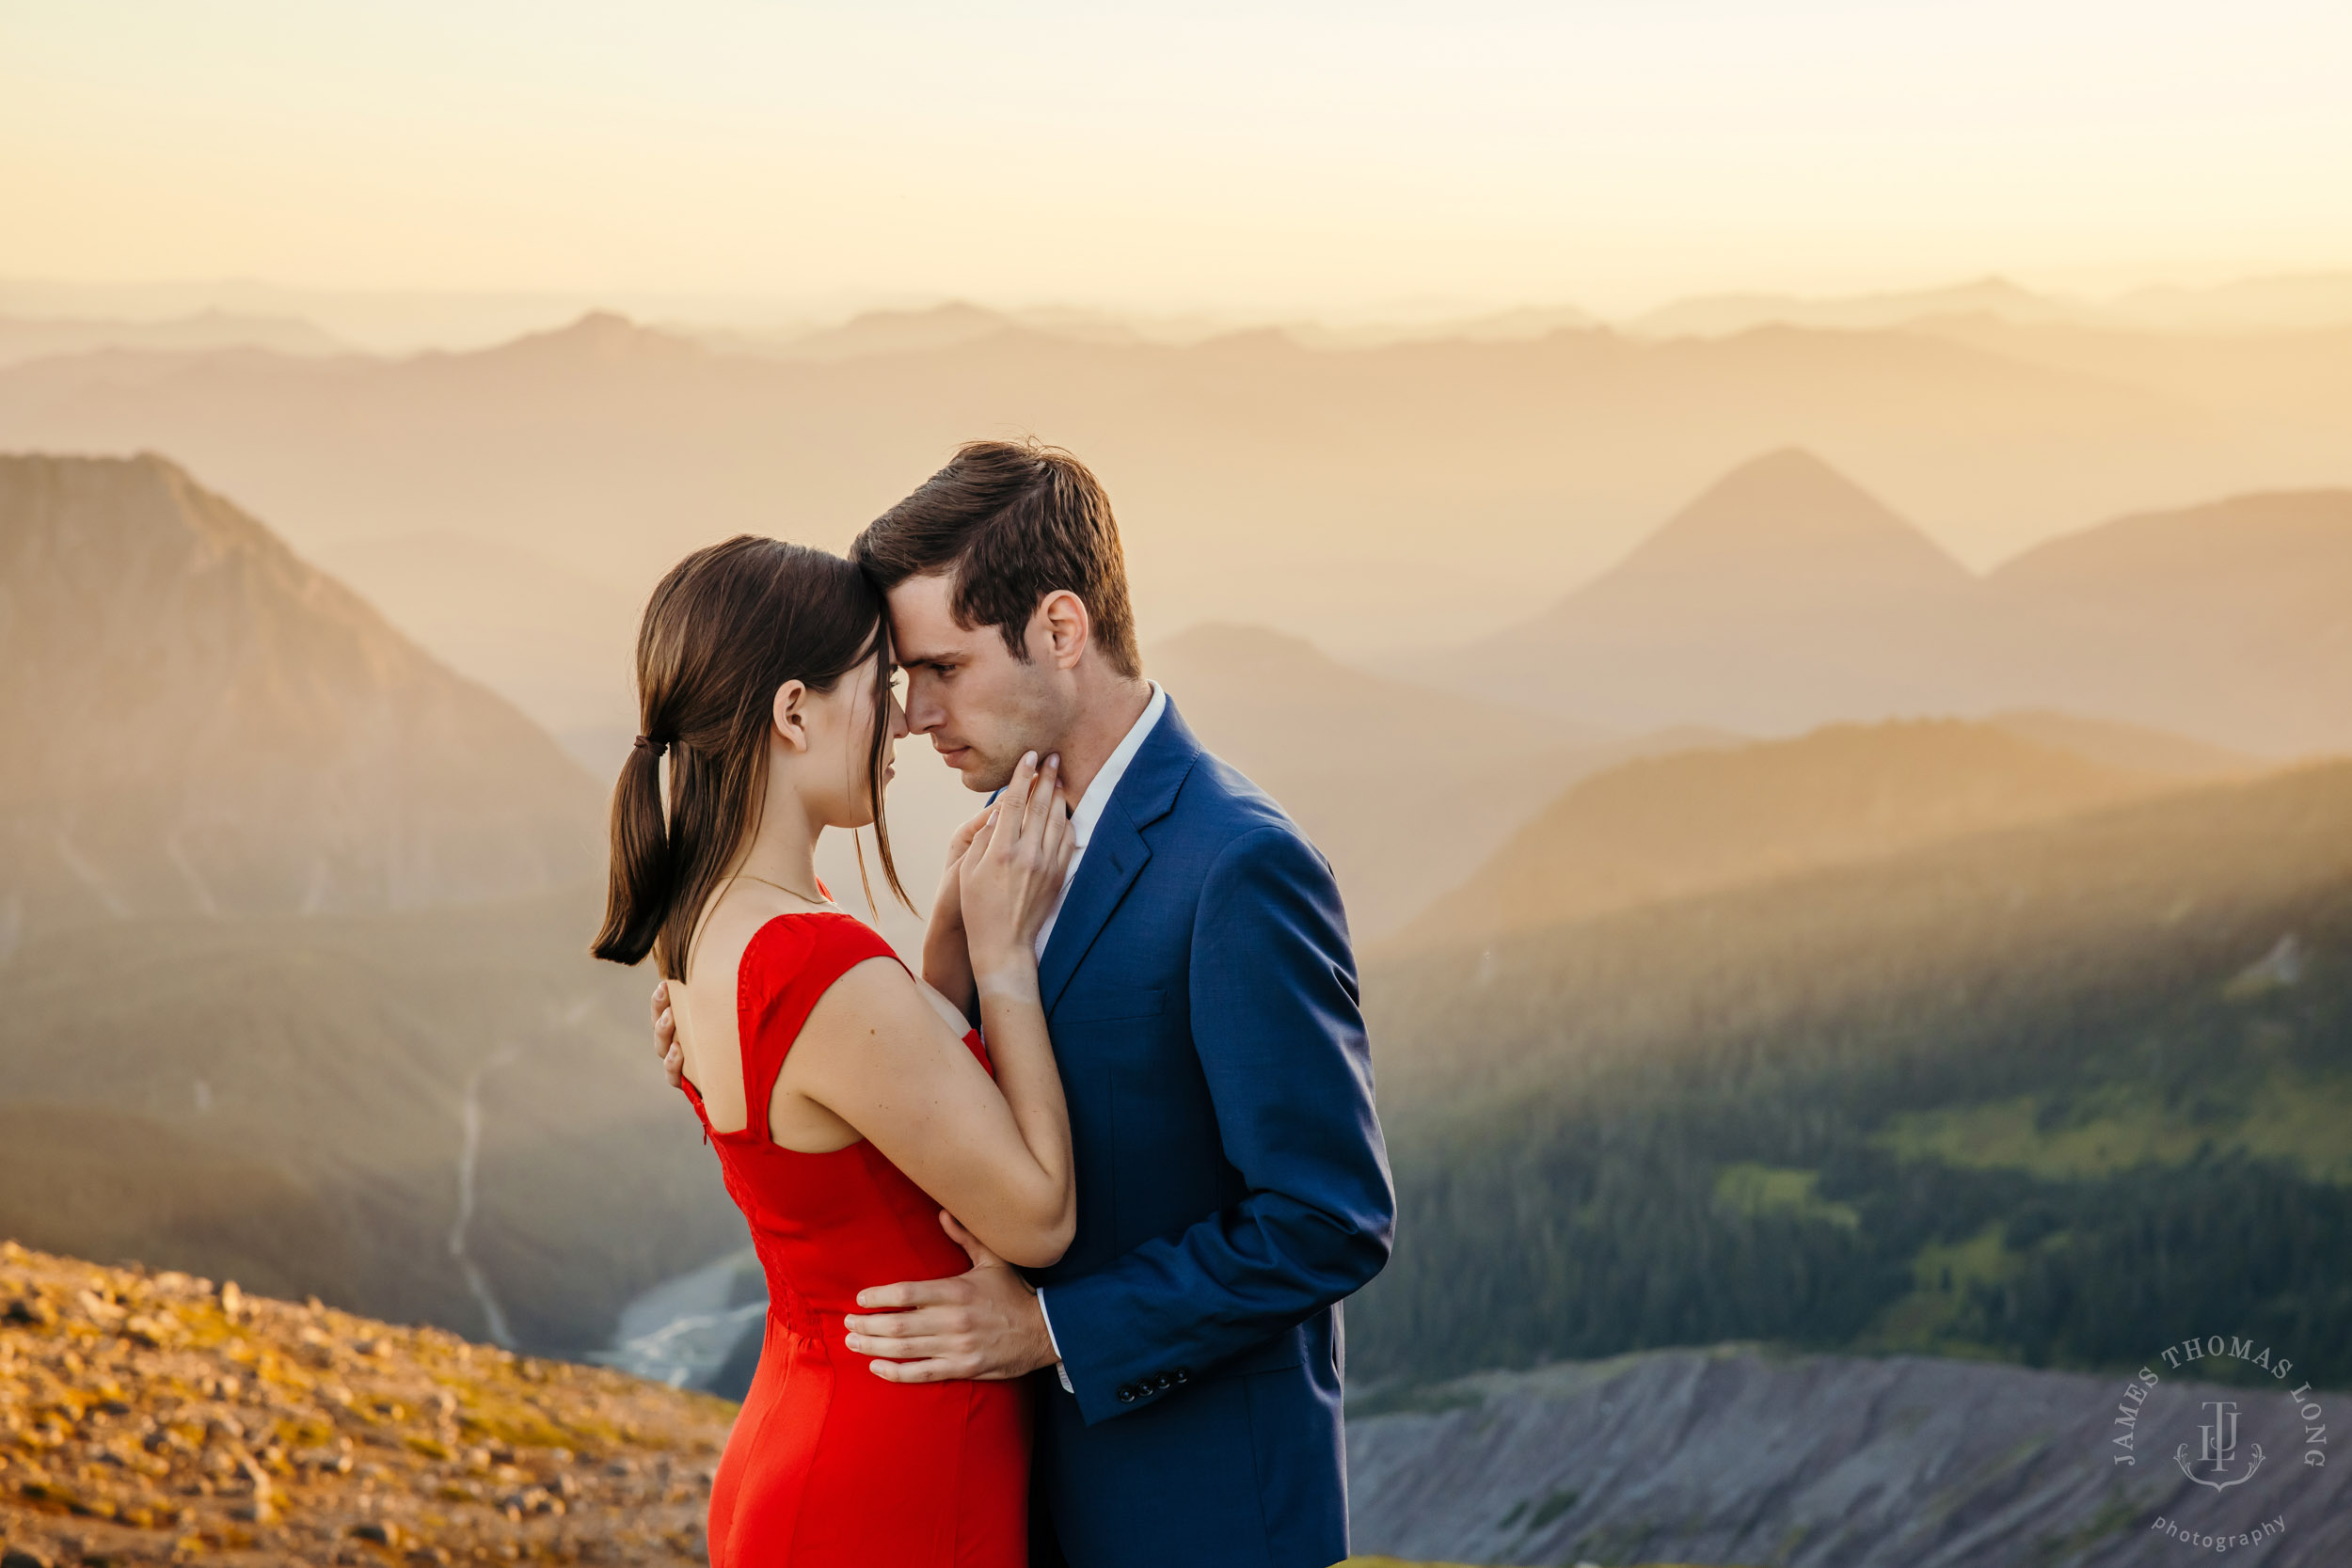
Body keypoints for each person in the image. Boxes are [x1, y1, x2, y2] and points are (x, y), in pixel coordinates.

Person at [652, 441, 1396, 1568]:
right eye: (900, 680)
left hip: (1188, 1516)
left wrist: (1052, 1329)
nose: (910, 716)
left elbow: (1326, 1217)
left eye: (940, 668)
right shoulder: (1003, 845)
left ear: (1060, 629)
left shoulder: (1237, 866)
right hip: (999, 1497)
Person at [595, 535, 1080, 1568]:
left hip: (802, 1435)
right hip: (893, 1480)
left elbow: (870, 1119)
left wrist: (940, 944)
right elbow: (1038, 1213)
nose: (902, 718)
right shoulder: (812, 957)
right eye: (880, 685)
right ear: (793, 711)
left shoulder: (708, 923)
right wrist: (1002, 962)